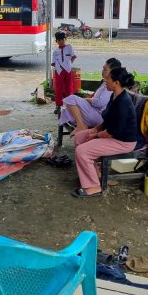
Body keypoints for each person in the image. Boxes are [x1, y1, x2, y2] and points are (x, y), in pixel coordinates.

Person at [71, 67, 138, 198]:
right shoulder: (115, 96)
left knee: (82, 151)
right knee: (79, 137)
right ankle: (95, 174)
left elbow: (112, 132)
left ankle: (93, 187)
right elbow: (107, 120)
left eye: (108, 79)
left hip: (123, 141)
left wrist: (95, 136)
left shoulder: (123, 102)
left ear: (116, 83)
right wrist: (95, 129)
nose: (105, 81)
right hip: (112, 134)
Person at [59, 57, 121, 133]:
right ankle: (81, 125)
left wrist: (88, 100)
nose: (102, 71)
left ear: (113, 72)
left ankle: (81, 125)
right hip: (95, 112)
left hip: (99, 116)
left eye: (105, 70)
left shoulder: (111, 85)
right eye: (103, 69)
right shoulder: (105, 82)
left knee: (71, 99)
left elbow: (100, 103)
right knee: (71, 105)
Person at [51, 31, 77, 115]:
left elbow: (73, 57)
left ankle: (70, 106)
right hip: (58, 71)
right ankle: (58, 106)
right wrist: (58, 68)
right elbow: (53, 63)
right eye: (59, 40)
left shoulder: (69, 47)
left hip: (68, 70)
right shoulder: (55, 52)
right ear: (56, 41)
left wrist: (69, 65)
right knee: (58, 88)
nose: (61, 41)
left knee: (69, 88)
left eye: (62, 39)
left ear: (65, 39)